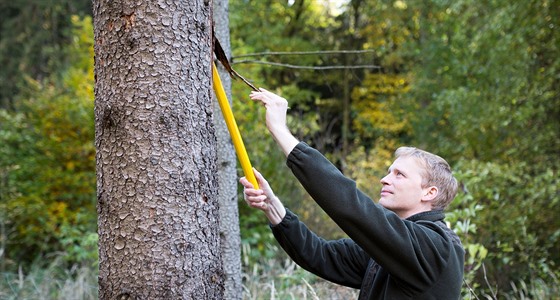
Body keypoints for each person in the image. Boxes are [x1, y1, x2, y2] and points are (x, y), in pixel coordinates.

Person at [240, 88, 465, 299]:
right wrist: (271, 205)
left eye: (399, 175)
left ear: (429, 192)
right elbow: (319, 255)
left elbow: (351, 206)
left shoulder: (435, 247)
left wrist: (280, 130)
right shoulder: (391, 249)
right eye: (389, 172)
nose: (384, 179)